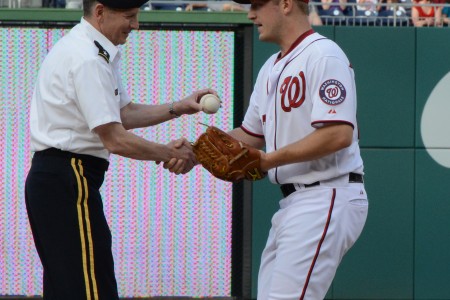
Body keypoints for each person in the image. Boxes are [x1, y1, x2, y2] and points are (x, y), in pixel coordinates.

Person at [24, 0, 216, 299]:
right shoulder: (87, 58)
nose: (135, 25)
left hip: (59, 180)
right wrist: (172, 153)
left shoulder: (92, 50)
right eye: (129, 16)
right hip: (68, 178)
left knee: (72, 286)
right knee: (91, 291)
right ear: (100, 11)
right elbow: (114, 138)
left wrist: (178, 107)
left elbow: (122, 114)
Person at [215, 0, 369, 298]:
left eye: (258, 4)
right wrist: (193, 152)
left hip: (326, 193)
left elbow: (338, 134)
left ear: (285, 4)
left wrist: (267, 160)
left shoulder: (323, 54)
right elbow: (249, 135)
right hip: (295, 203)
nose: (250, 14)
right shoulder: (270, 67)